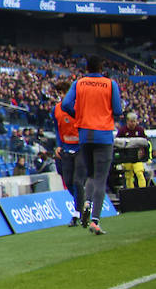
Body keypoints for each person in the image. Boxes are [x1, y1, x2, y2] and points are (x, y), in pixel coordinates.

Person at [63, 57, 122, 235]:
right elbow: (118, 110)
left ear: (86, 68)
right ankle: (95, 220)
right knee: (100, 179)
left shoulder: (79, 83)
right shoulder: (110, 84)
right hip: (103, 135)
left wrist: (78, 115)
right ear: (101, 67)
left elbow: (66, 104)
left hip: (84, 135)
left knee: (89, 175)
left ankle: (86, 208)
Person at [116, 111, 149, 190]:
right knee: (128, 176)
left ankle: (143, 191)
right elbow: (117, 143)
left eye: (134, 121)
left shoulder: (140, 130)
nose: (133, 123)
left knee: (139, 173)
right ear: (127, 121)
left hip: (138, 157)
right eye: (131, 121)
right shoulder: (122, 130)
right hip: (126, 157)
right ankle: (130, 192)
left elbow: (145, 143)